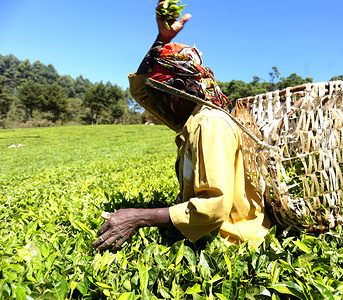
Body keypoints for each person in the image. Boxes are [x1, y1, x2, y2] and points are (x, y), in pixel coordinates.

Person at [92, 2, 270, 251]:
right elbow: (141, 90)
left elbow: (213, 208)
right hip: (206, 236)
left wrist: (138, 216)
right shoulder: (190, 117)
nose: (153, 103)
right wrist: (161, 40)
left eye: (159, 95)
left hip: (231, 242)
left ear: (177, 88)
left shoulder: (210, 125)